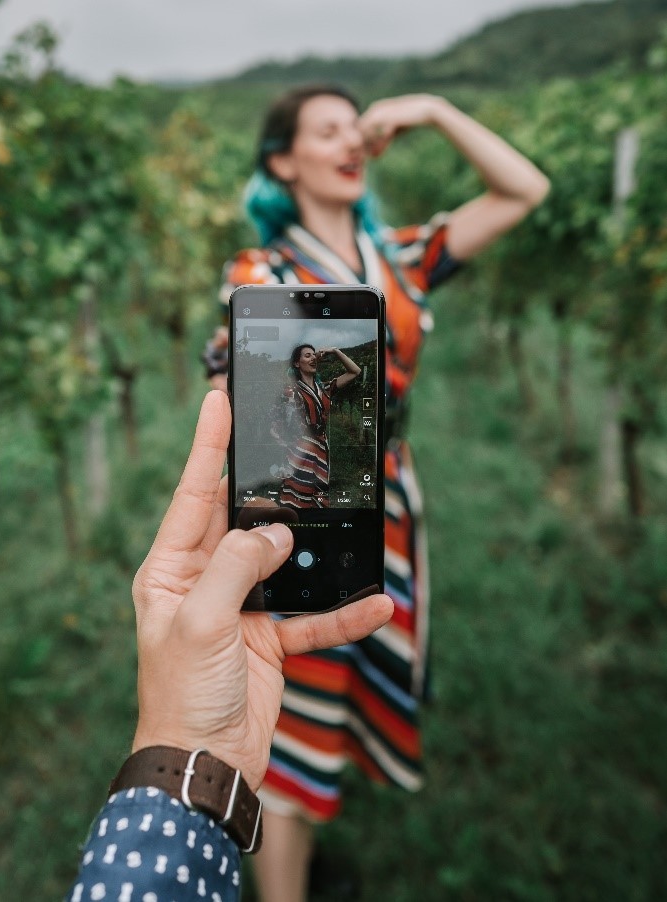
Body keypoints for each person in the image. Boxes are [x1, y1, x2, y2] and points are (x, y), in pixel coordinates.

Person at [206, 84, 550, 902]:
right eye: (325, 133)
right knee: (289, 712)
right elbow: (239, 383)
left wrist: (431, 110)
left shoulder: (398, 256)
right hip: (303, 509)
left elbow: (524, 190)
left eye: (355, 130)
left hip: (389, 502)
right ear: (282, 162)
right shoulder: (262, 270)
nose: (349, 143)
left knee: (344, 677)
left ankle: (303, 841)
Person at [65, 390, 394, 901]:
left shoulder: (321, 391)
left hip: (333, 496)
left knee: (317, 730)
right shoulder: (288, 393)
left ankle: (300, 861)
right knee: (301, 737)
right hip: (289, 503)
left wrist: (189, 748)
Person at [272, 343, 360, 508]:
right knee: (297, 495)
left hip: (320, 448)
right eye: (307, 355)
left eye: (314, 355)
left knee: (317, 497)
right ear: (297, 364)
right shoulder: (292, 390)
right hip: (300, 450)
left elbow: (355, 371)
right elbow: (280, 422)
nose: (313, 358)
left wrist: (335, 351)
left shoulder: (325, 388)